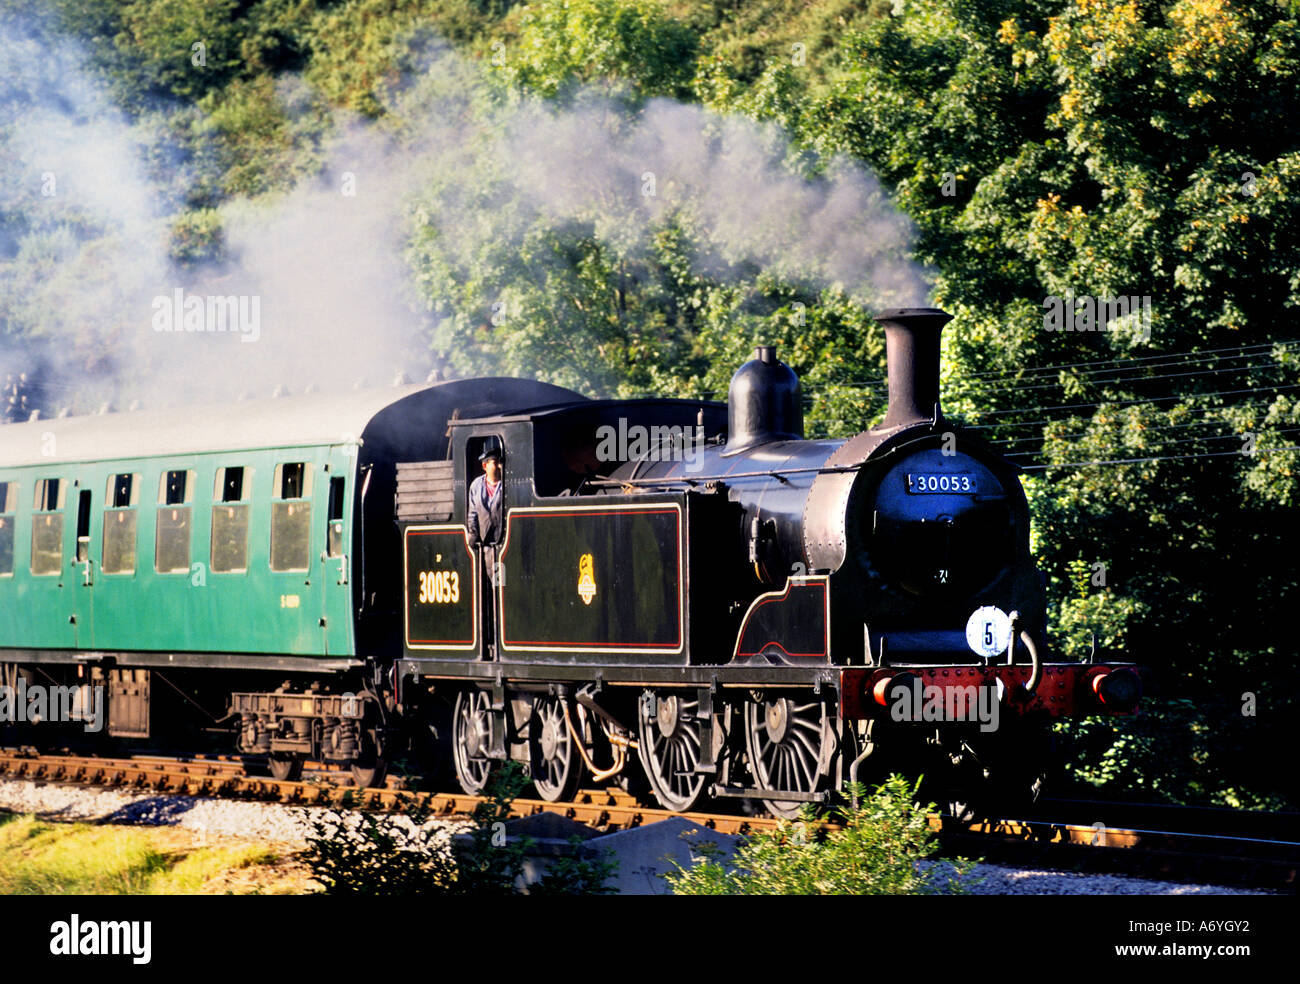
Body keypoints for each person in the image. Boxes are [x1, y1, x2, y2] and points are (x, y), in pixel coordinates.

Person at [467, 438, 505, 653]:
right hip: (484, 549)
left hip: (502, 549)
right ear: (485, 465)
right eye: (493, 462)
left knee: (500, 590)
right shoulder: (476, 485)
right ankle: (488, 640)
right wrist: (473, 535)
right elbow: (472, 512)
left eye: (499, 461)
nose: (497, 465)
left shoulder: (506, 484)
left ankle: (500, 640)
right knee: (486, 593)